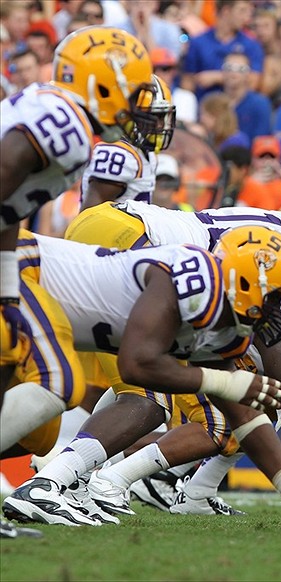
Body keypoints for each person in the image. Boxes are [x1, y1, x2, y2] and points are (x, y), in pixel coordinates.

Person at [2, 226, 281, 527]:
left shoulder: (217, 316)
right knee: (63, 384)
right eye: (274, 297)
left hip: (61, 295)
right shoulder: (194, 282)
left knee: (39, 435)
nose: (277, 309)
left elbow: (243, 416)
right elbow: (136, 366)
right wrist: (223, 382)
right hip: (26, 266)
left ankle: (73, 479)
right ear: (245, 281)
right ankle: (53, 483)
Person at [1, 26, 153, 427]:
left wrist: (6, 290)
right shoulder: (68, 127)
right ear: (104, 85)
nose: (138, 106)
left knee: (22, 390)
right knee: (58, 382)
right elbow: (5, 166)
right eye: (134, 92)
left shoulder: (57, 109)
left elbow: (10, 209)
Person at [80, 75, 175, 211]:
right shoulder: (117, 153)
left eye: (163, 116)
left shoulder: (143, 151)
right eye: (153, 116)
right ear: (127, 114)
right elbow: (89, 215)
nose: (161, 125)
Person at [181, 0, 263, 101]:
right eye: (242, 11)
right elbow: (188, 81)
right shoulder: (198, 42)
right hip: (204, 104)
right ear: (226, 11)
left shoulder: (251, 45)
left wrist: (218, 77)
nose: (246, 18)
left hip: (239, 106)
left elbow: (253, 82)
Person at [220, 51, 273, 141]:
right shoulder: (213, 101)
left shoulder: (260, 104)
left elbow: (261, 139)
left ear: (248, 74)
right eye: (229, 67)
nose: (233, 74)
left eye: (241, 69)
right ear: (222, 71)